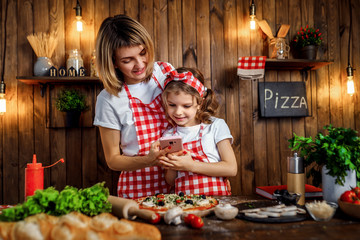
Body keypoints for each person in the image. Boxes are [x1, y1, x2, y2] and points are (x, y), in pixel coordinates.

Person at [93, 14, 175, 199]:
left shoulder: (165, 73)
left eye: (143, 53)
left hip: (181, 180)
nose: (140, 64)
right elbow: (113, 160)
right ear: (113, 62)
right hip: (139, 188)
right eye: (127, 60)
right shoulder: (109, 99)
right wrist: (149, 160)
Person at [158, 67, 237, 195]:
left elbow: (231, 168)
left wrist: (190, 165)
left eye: (186, 106)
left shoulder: (215, 126)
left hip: (218, 201)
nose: (178, 112)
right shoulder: (169, 135)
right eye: (172, 105)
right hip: (185, 204)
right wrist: (173, 165)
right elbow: (171, 181)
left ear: (200, 103)